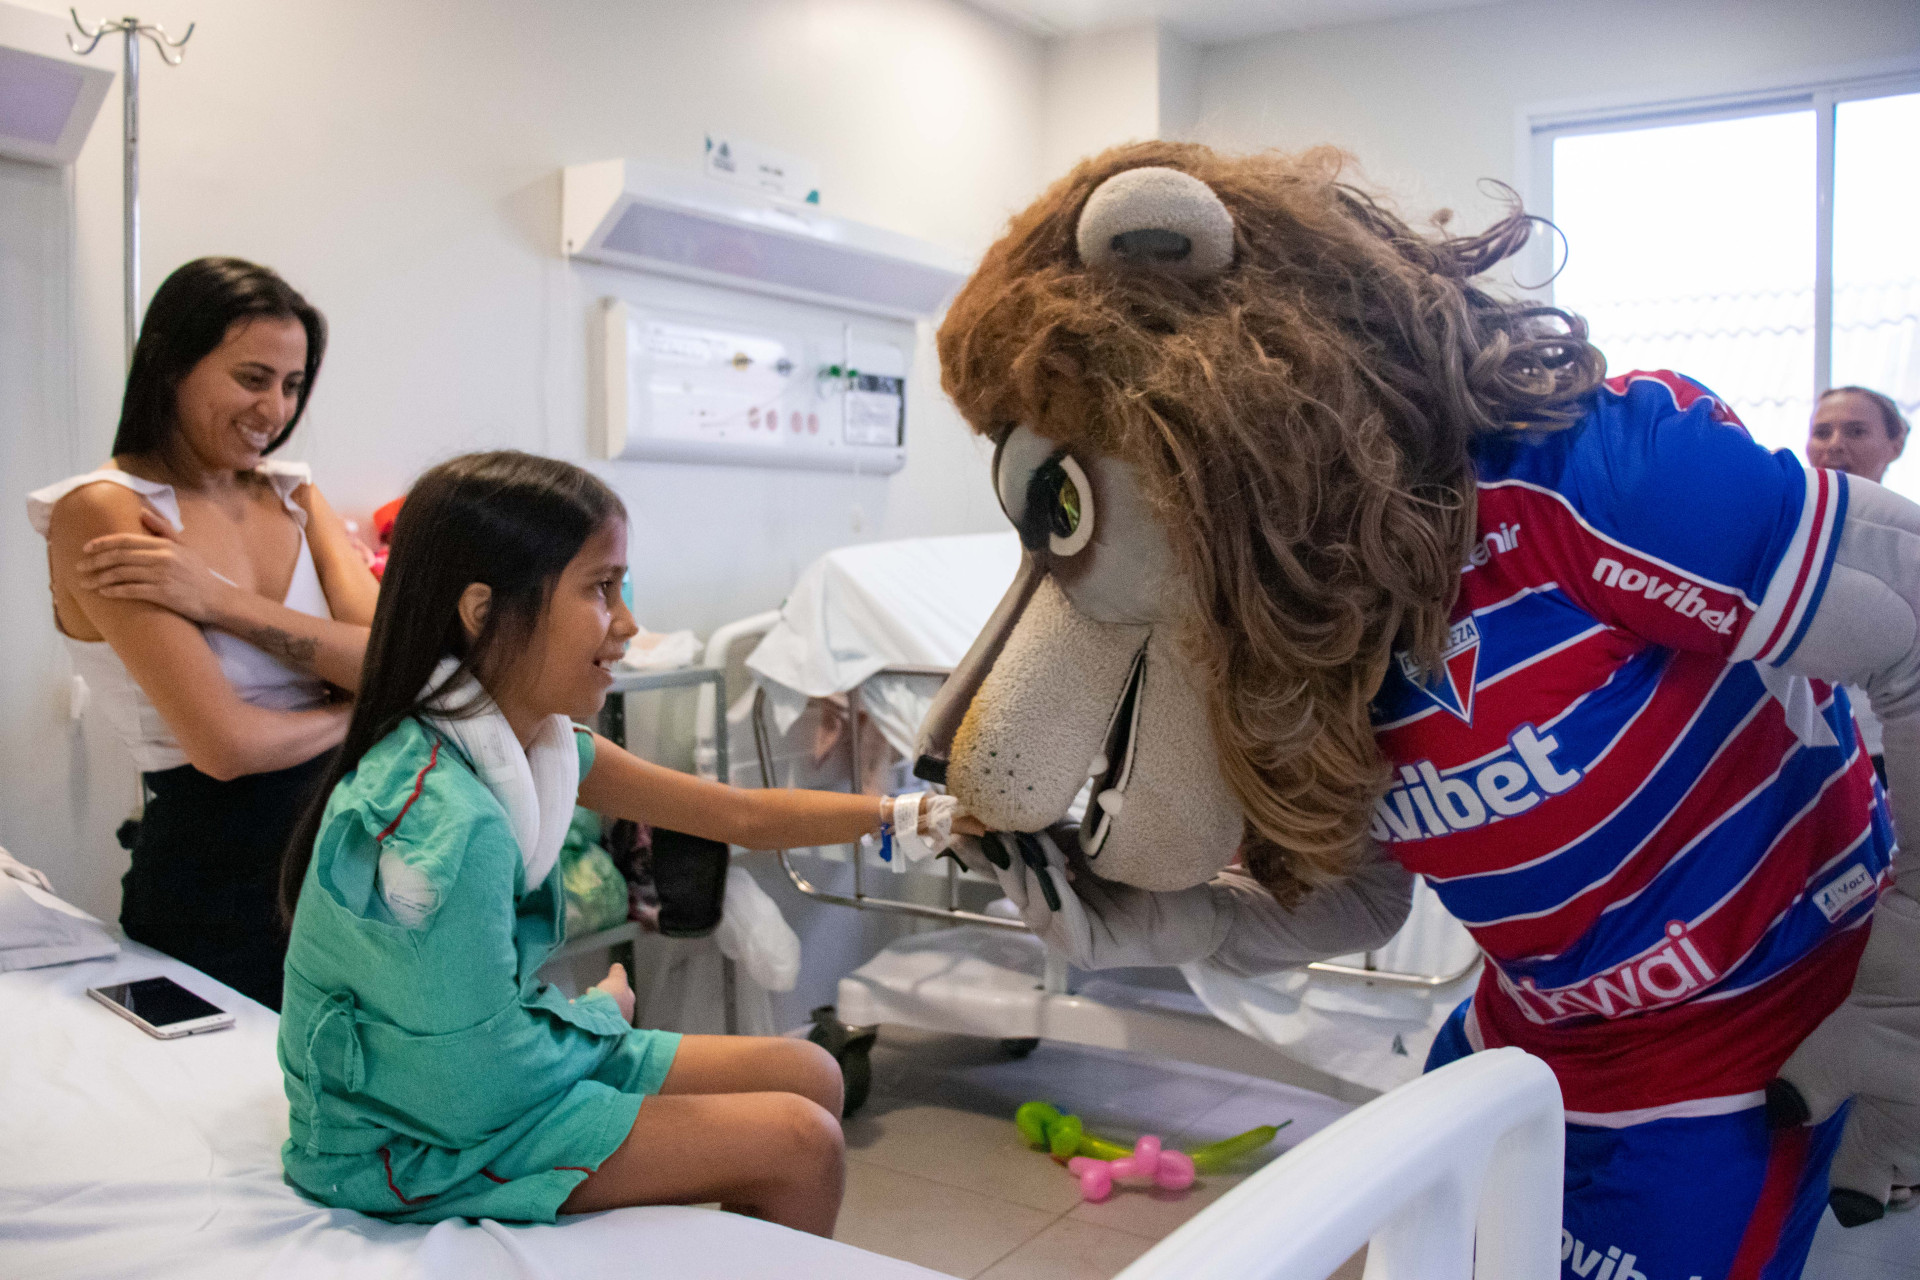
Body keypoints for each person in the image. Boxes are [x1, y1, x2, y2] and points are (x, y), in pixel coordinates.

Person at [920, 142, 1920, 1280]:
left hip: (1751, 1035)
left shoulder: (1583, 480)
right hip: (1531, 1032)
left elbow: (1912, 615)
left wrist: (1915, 966)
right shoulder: (1274, 616)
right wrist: (1176, 924)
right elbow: (1357, 895)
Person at [276, 451, 969, 1235]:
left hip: (465, 1077)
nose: (629, 624)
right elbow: (469, 1089)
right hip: (402, 1139)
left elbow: (735, 815)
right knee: (801, 1143)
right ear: (482, 610)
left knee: (808, 1072)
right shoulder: (445, 822)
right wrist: (601, 1015)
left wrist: (913, 815)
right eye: (601, 590)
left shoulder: (531, 748)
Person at [27, 258, 377, 1009]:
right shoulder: (105, 510)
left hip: (347, 858)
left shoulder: (292, 493)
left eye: (291, 384)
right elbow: (225, 748)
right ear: (171, 363)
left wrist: (219, 602)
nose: (275, 409)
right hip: (218, 878)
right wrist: (363, 710)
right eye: (252, 378)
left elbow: (393, 653)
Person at [1807, 385, 1913, 780]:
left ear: (1896, 443)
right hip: (1807, 752)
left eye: (1855, 432)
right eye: (1822, 432)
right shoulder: (1781, 540)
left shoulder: (1912, 545)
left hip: (1889, 754)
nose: (1834, 446)